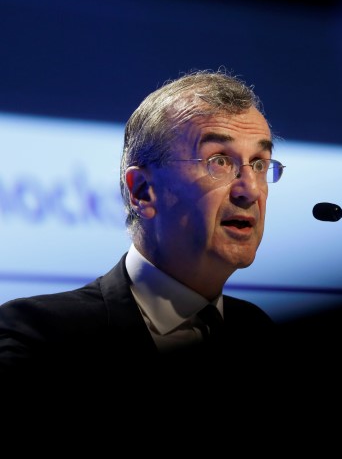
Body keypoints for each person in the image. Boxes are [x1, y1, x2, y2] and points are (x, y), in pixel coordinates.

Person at [0, 68, 285, 390]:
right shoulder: (42, 334)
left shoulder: (257, 331)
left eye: (259, 163)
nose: (250, 189)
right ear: (143, 191)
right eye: (219, 160)